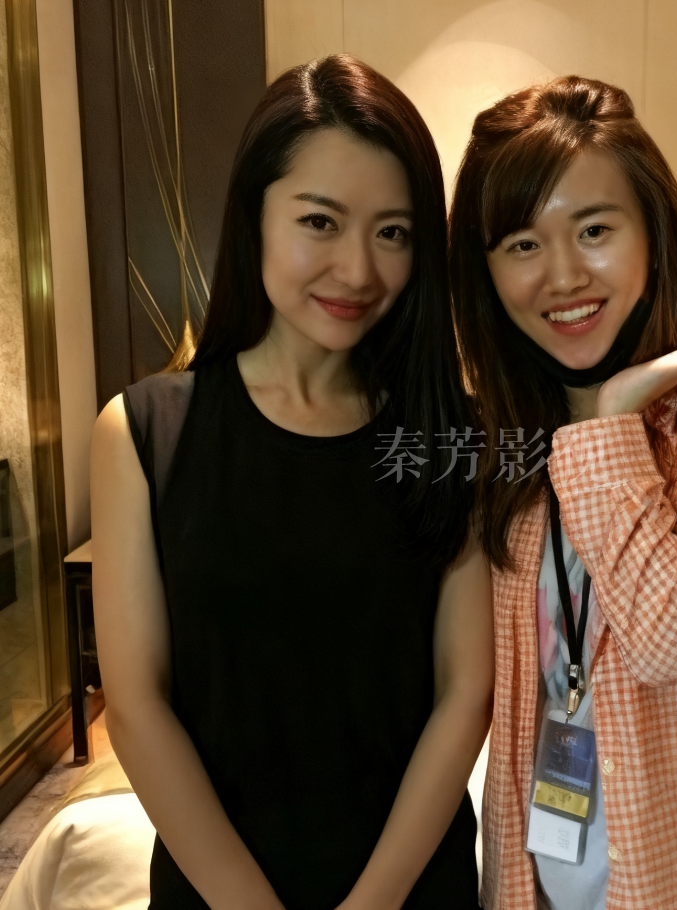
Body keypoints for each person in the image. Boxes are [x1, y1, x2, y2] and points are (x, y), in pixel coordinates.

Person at [91, 55, 493, 910]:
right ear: (254, 216)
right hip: (215, 888)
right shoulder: (145, 432)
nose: (358, 270)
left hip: (412, 887)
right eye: (320, 221)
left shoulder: (448, 434)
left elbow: (465, 693)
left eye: (393, 233)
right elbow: (135, 706)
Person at [448, 76, 677, 910]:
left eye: (595, 230)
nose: (563, 275)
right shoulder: (492, 439)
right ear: (486, 272)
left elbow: (665, 640)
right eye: (522, 245)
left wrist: (609, 421)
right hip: (531, 871)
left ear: (654, 231)